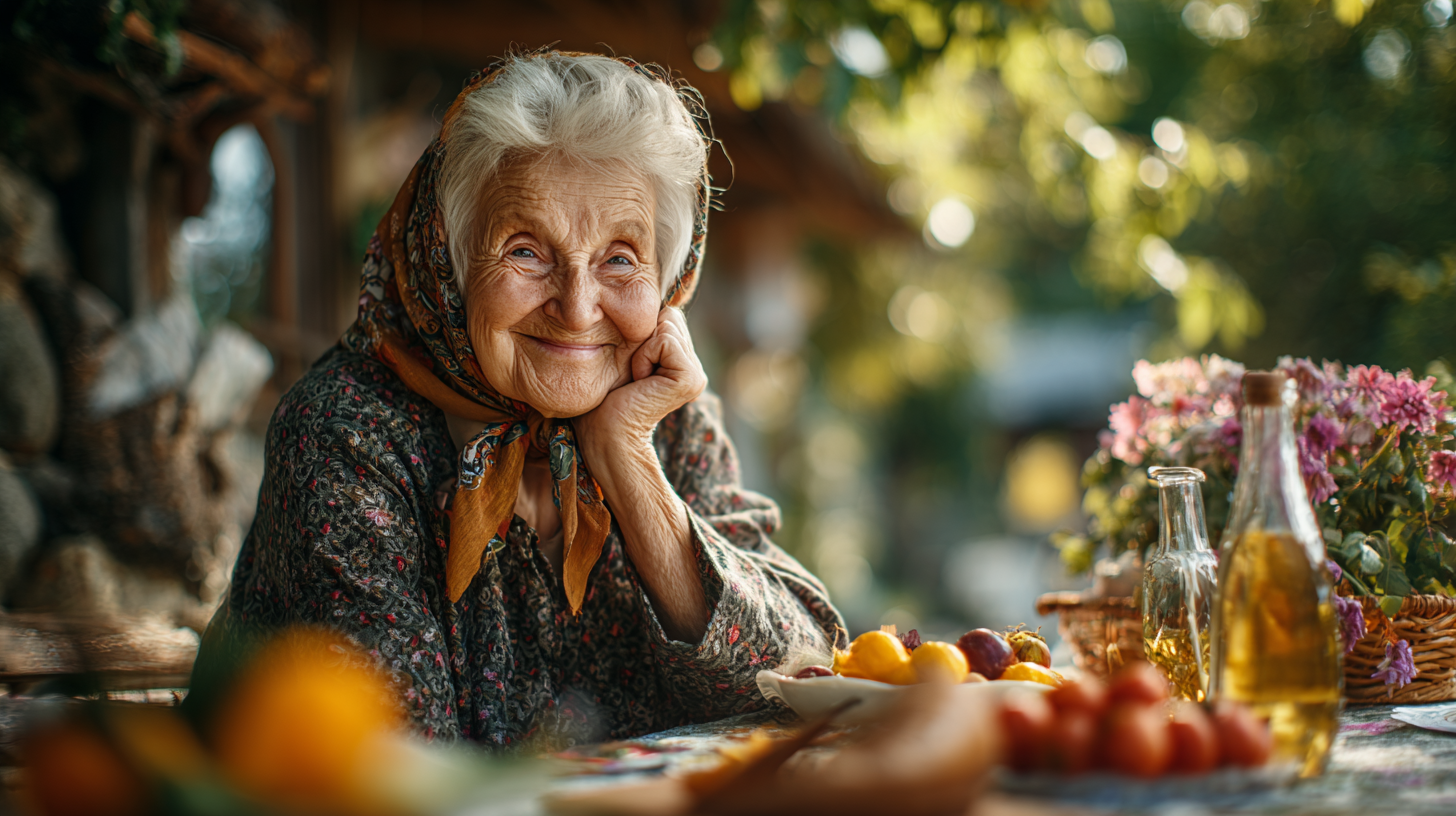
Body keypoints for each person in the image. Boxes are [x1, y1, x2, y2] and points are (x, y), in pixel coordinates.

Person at [189, 50, 845, 747]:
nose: (577, 307)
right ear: (450, 257)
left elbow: (806, 675)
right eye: (527, 251)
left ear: (668, 281)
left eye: (620, 259)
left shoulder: (666, 419)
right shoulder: (347, 430)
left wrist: (626, 457)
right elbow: (399, 770)